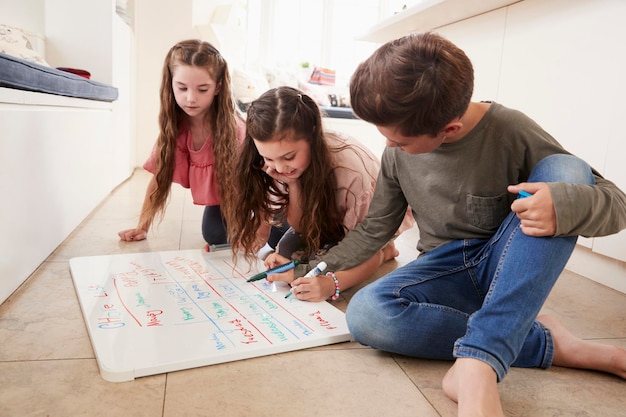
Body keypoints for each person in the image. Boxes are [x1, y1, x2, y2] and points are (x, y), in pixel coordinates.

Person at [311, 32, 626, 416]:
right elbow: (375, 228)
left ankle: (477, 368)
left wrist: (561, 203)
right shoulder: (397, 150)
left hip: (506, 267)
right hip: (445, 271)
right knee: (367, 315)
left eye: (400, 142)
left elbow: (617, 204)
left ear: (450, 130)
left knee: (567, 171)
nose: (390, 148)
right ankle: (545, 342)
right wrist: (314, 266)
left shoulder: (510, 130)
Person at [224, 86, 413, 301]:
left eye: (289, 157)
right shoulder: (278, 167)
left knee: (335, 261)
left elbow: (366, 239)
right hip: (325, 214)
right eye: (268, 158)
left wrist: (331, 285)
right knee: (287, 251)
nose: (279, 167)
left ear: (313, 134)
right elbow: (300, 225)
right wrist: (293, 184)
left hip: (368, 225)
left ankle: (385, 253)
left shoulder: (349, 171)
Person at [118, 39, 245, 247]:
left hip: (255, 194)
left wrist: (257, 227)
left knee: (268, 231)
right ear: (171, 85)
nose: (190, 99)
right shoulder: (176, 127)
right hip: (226, 197)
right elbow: (159, 178)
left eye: (202, 89)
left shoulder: (235, 129)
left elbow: (254, 184)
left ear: (218, 88)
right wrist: (142, 226)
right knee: (215, 235)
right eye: (182, 88)